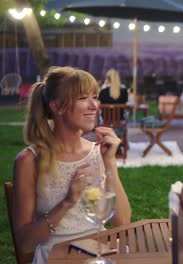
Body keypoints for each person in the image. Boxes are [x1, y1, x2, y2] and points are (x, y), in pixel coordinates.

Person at [13, 67, 132, 264]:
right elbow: (25, 243)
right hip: (54, 257)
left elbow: (122, 224)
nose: (95, 105)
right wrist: (67, 202)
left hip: (100, 253)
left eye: (95, 96)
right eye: (83, 98)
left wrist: (110, 163)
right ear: (57, 107)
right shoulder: (29, 161)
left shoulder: (99, 152)